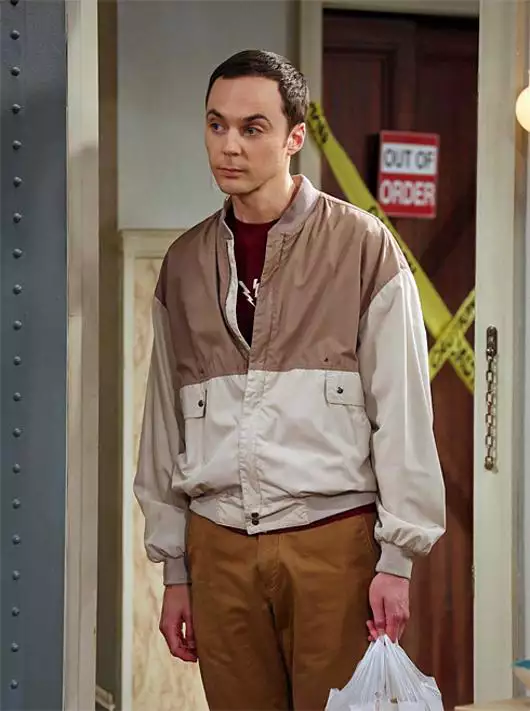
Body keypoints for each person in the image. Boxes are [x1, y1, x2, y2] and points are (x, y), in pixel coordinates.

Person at [134, 49, 445, 711]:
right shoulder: (184, 265)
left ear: (294, 137)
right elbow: (163, 425)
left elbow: (403, 413)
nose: (229, 145)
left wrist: (397, 560)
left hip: (332, 541)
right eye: (216, 125)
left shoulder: (363, 247)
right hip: (217, 548)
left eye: (253, 128)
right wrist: (175, 571)